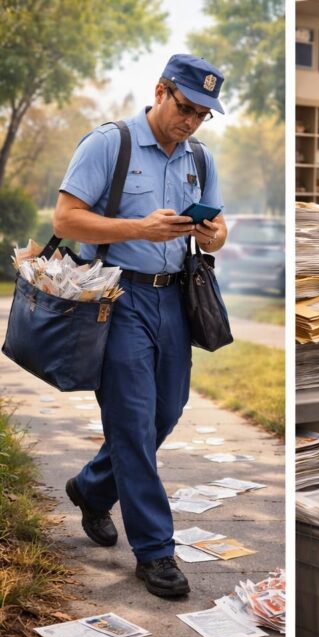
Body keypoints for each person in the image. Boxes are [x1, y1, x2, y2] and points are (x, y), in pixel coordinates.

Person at [54, 54, 227, 598]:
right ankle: (155, 552)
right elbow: (64, 218)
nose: (192, 121)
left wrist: (212, 235)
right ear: (160, 91)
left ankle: (90, 487)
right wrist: (138, 229)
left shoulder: (200, 157)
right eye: (186, 107)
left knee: (164, 414)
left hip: (175, 299)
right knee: (131, 421)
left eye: (204, 114)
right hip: (116, 297)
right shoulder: (110, 143)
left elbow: (217, 227)